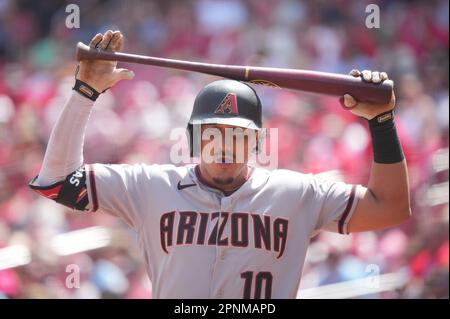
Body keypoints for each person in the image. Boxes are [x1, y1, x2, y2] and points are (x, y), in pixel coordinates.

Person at [29, 30, 411, 299]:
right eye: (212, 134)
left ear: (258, 142)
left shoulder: (296, 193)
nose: (224, 145)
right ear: (194, 139)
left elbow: (389, 207)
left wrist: (381, 122)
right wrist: (85, 93)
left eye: (238, 134)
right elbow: (57, 182)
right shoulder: (149, 187)